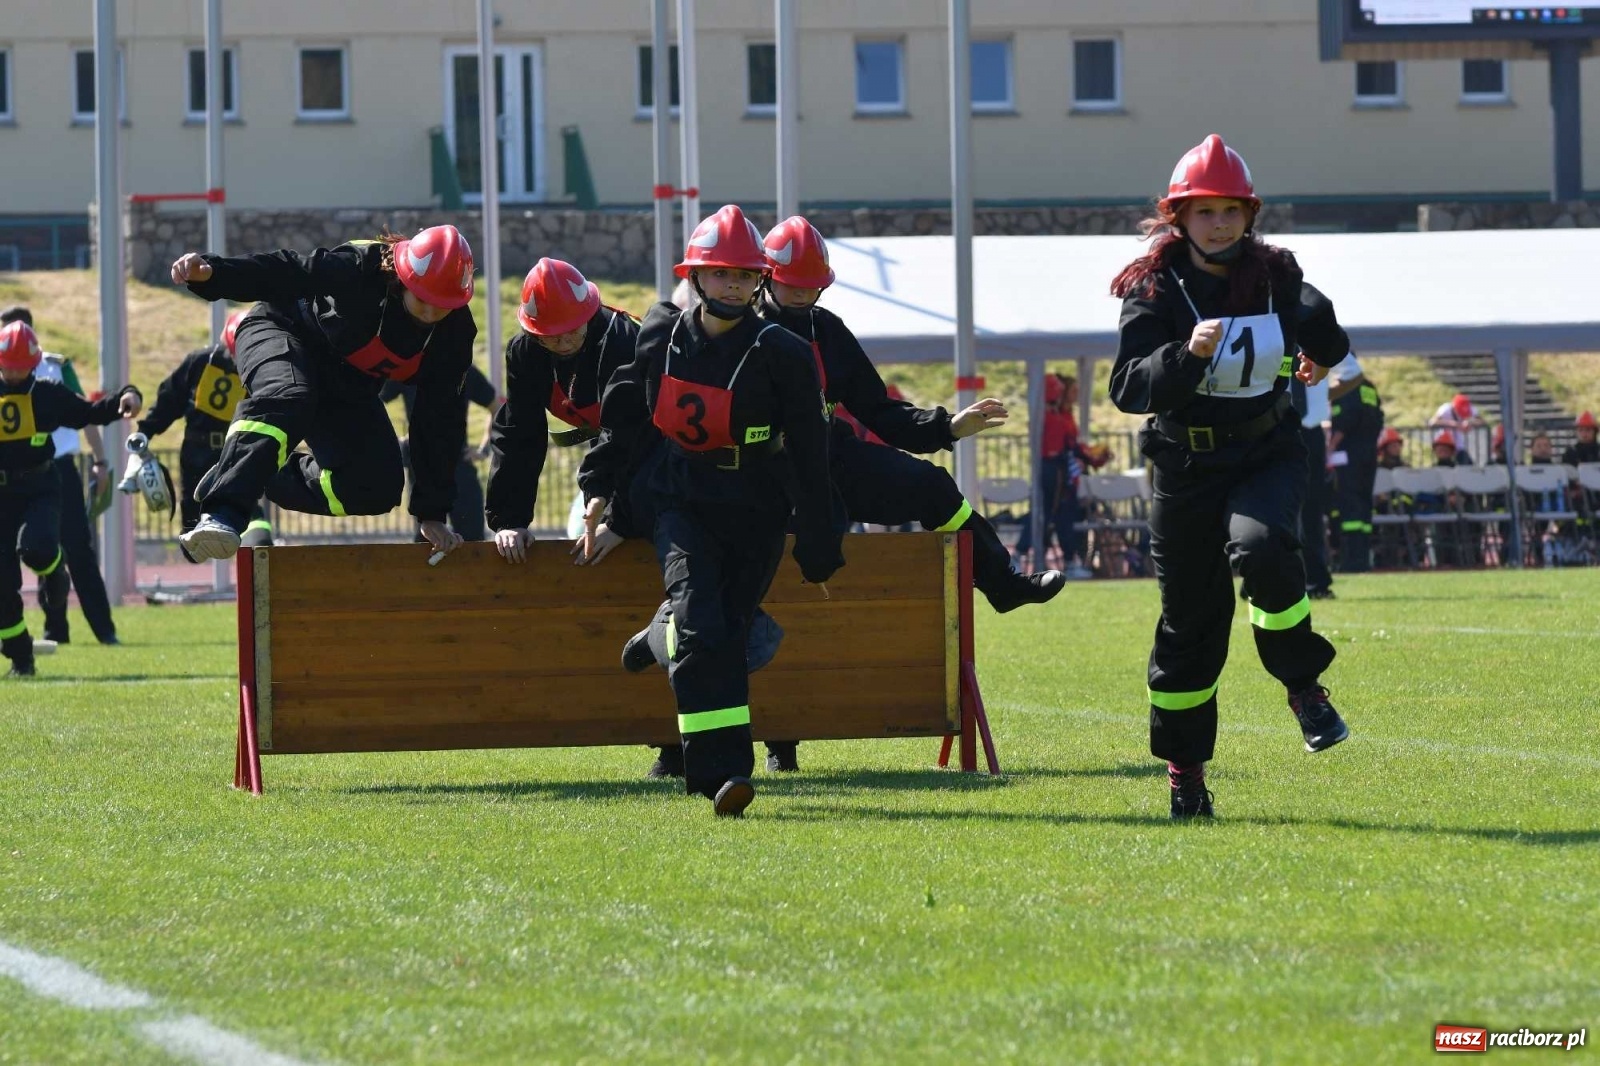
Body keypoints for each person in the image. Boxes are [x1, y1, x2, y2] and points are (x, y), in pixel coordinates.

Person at [1107, 134, 1352, 820]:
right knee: (1190, 625)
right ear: (1177, 217)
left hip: (1264, 451)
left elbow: (1324, 329)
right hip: (1183, 469)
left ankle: (1304, 686)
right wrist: (1184, 355)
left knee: (1265, 547)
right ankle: (1186, 771)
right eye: (1204, 211)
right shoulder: (1151, 287)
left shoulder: (1275, 272)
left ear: (1250, 214)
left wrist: (1319, 354)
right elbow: (1128, 386)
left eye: (1231, 211)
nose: (1219, 223)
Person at [578, 204, 842, 817]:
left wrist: (819, 537)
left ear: (761, 282)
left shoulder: (784, 352)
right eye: (720, 274)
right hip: (681, 500)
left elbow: (809, 450)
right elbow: (623, 420)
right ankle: (720, 776)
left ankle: (656, 637)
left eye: (745, 276)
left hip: (757, 509)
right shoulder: (659, 333)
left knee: (733, 635)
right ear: (695, 277)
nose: (734, 286)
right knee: (704, 629)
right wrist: (599, 490)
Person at [755, 215, 1062, 612]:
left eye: (812, 286)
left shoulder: (828, 329)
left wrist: (946, 427)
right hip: (768, 471)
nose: (802, 294)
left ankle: (1002, 583)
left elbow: (879, 409)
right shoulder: (745, 332)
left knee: (931, 486)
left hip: (832, 457)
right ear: (765, 277)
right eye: (792, 284)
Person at [167, 226, 477, 562]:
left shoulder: (454, 335)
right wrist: (214, 273)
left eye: (440, 307)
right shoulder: (360, 267)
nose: (430, 315)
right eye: (422, 300)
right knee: (289, 396)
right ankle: (223, 512)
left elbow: (438, 420)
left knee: (376, 487)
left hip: (345, 382)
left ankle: (253, 470)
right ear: (401, 278)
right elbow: (285, 270)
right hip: (281, 328)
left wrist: (431, 512)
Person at [0, 321, 141, 677]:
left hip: (40, 487)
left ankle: (54, 572)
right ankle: (20, 657)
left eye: (19, 364)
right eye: (7, 364)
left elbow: (87, 413)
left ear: (32, 364)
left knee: (37, 548)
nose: (12, 372)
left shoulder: (47, 392)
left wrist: (126, 396)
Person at [486, 258, 639, 559]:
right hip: (607, 451)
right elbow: (519, 434)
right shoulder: (525, 353)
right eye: (551, 334)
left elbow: (633, 434)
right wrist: (510, 520)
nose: (564, 341)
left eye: (572, 329)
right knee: (577, 534)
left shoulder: (623, 343)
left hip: (653, 458)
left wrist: (622, 520)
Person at [136, 308, 274, 559]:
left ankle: (259, 552)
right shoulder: (200, 362)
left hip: (235, 454)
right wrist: (145, 432)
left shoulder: (264, 371)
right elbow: (170, 399)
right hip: (196, 453)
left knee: (254, 521)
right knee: (193, 541)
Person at [383, 363, 497, 542]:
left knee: (473, 539)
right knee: (427, 541)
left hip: (459, 466)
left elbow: (496, 406)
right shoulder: (408, 368)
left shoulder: (462, 368)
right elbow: (372, 401)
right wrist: (395, 443)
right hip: (422, 468)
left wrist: (484, 450)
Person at [1016, 373, 1107, 577]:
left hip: (1058, 469)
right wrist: (1090, 456)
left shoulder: (1050, 416)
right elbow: (1069, 446)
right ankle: (1058, 559)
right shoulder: (1053, 418)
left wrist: (1090, 456)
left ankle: (1062, 559)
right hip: (1056, 470)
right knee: (1050, 514)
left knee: (1052, 514)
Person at [1326, 352, 1382, 573]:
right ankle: (1363, 560)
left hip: (1348, 456)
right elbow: (1378, 418)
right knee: (1364, 507)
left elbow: (1343, 422)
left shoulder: (1345, 388)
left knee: (1348, 507)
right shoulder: (1369, 387)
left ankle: (1351, 562)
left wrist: (1329, 450)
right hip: (1369, 454)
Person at [1291, 372, 1334, 599]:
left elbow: (1352, 373)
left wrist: (1323, 395)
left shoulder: (1319, 338)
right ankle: (1260, 575)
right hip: (1277, 426)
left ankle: (1315, 579)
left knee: (1310, 509)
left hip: (1310, 431)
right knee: (1272, 506)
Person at [1428, 393, 1484, 465]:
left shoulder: (1471, 409)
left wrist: (1470, 422)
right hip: (1446, 442)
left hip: (1459, 445)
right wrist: (1453, 424)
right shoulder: (1445, 409)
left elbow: (1482, 422)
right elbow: (1432, 422)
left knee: (1467, 464)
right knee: (1445, 463)